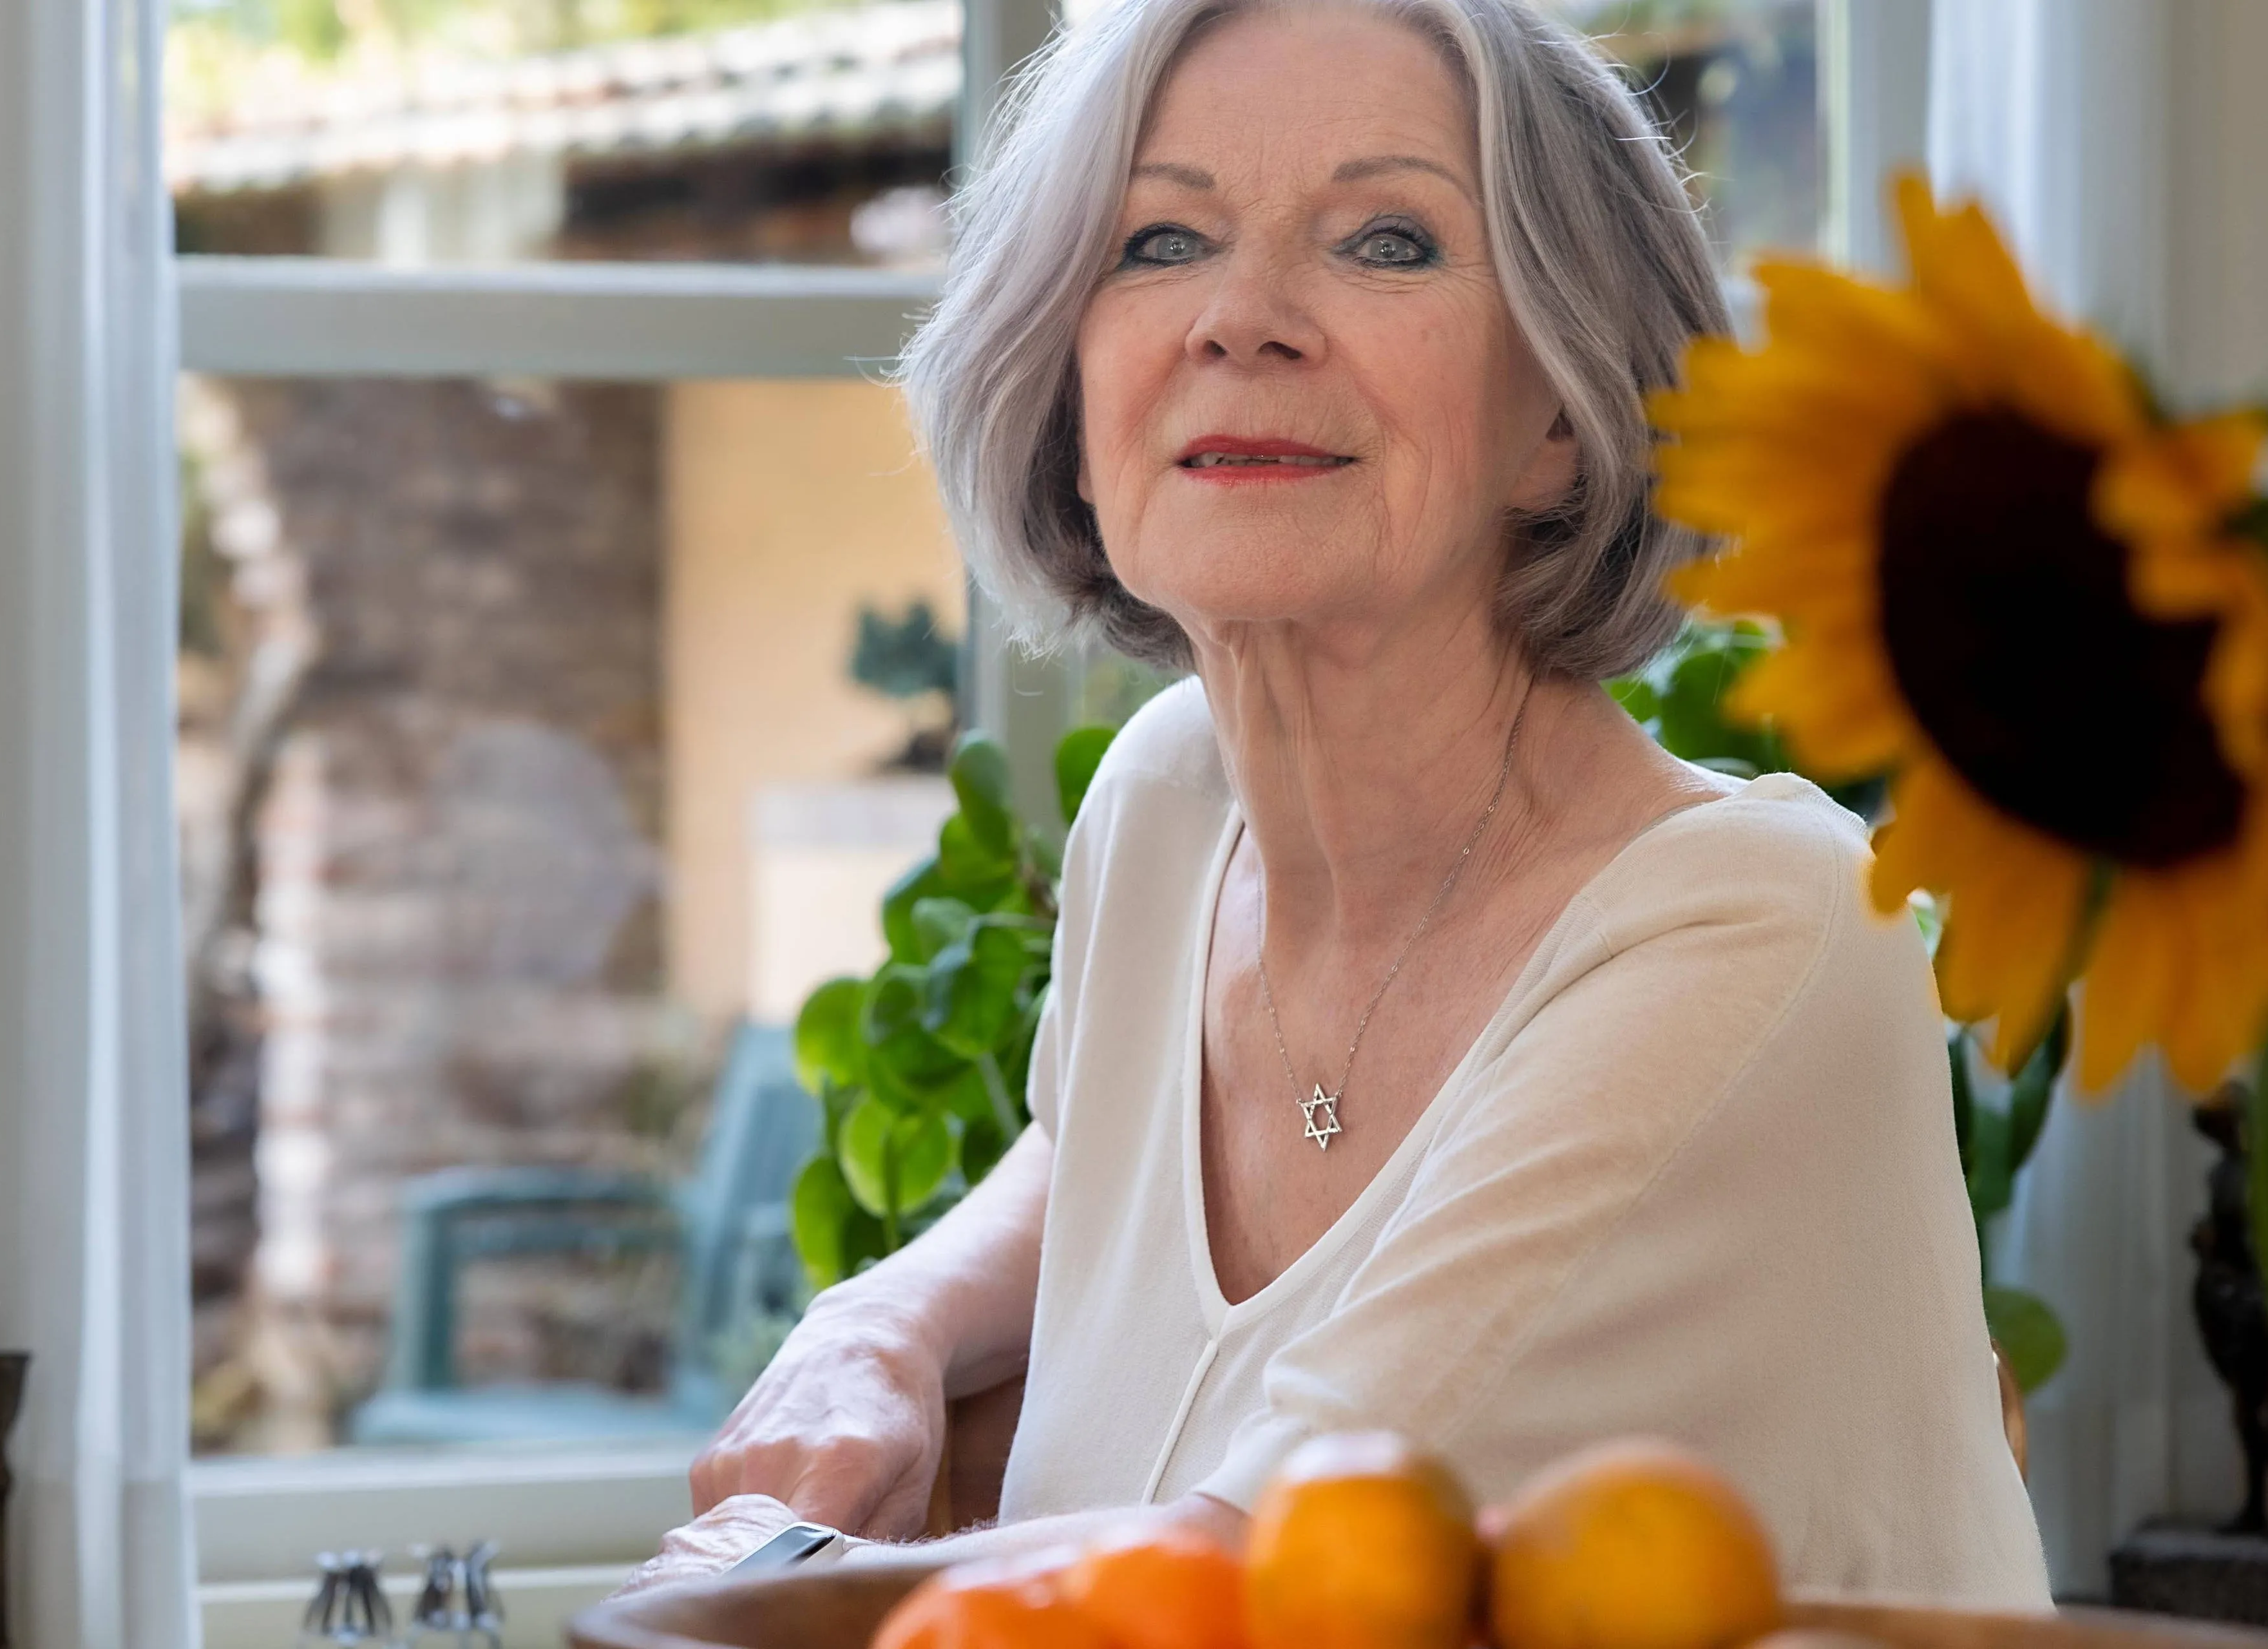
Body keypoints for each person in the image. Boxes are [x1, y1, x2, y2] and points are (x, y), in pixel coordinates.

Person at [617, 0, 2050, 1608]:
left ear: (1567, 422)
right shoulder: (1167, 811)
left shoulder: (1760, 931)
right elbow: (1083, 1154)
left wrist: (758, 1582)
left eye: (1385, 239)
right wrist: (881, 1318)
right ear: (1071, 392)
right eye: (1162, 238)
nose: (1242, 317)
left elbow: (1261, 1577)